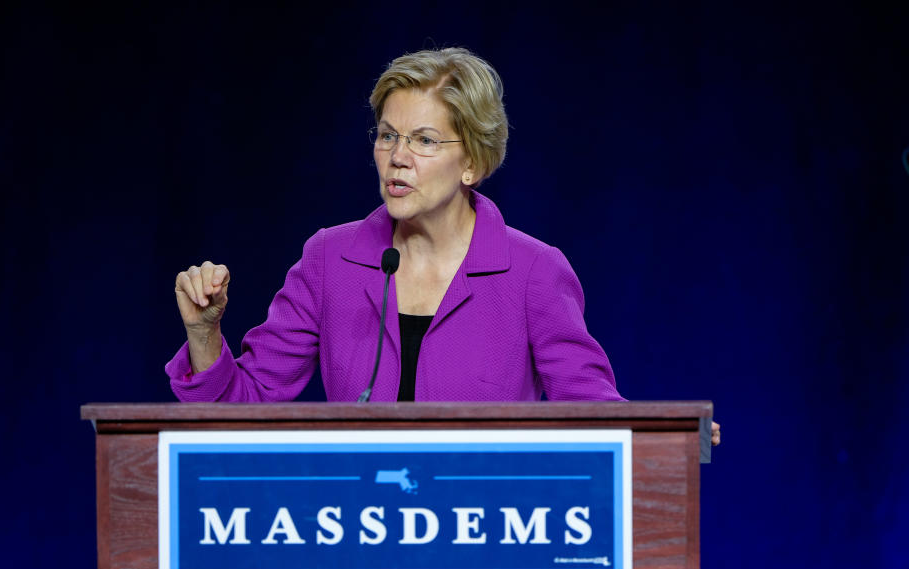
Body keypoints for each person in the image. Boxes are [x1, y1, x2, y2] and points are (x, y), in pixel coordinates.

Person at [165, 48, 721, 444]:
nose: (397, 157)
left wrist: (664, 437)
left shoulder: (533, 271)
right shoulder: (330, 259)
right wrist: (203, 333)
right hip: (353, 538)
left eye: (424, 140)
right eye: (387, 135)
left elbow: (589, 407)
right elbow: (241, 411)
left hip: (485, 546)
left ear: (473, 163)